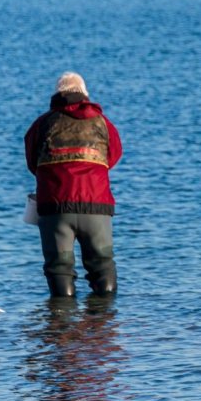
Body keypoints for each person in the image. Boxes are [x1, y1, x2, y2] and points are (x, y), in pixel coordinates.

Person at [24, 72, 122, 298]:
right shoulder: (102, 122)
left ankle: (60, 327)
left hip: (55, 206)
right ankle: (104, 323)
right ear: (85, 95)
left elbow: (32, 163)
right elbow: (113, 156)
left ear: (57, 95)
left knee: (59, 268)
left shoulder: (42, 124)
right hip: (96, 204)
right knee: (102, 264)